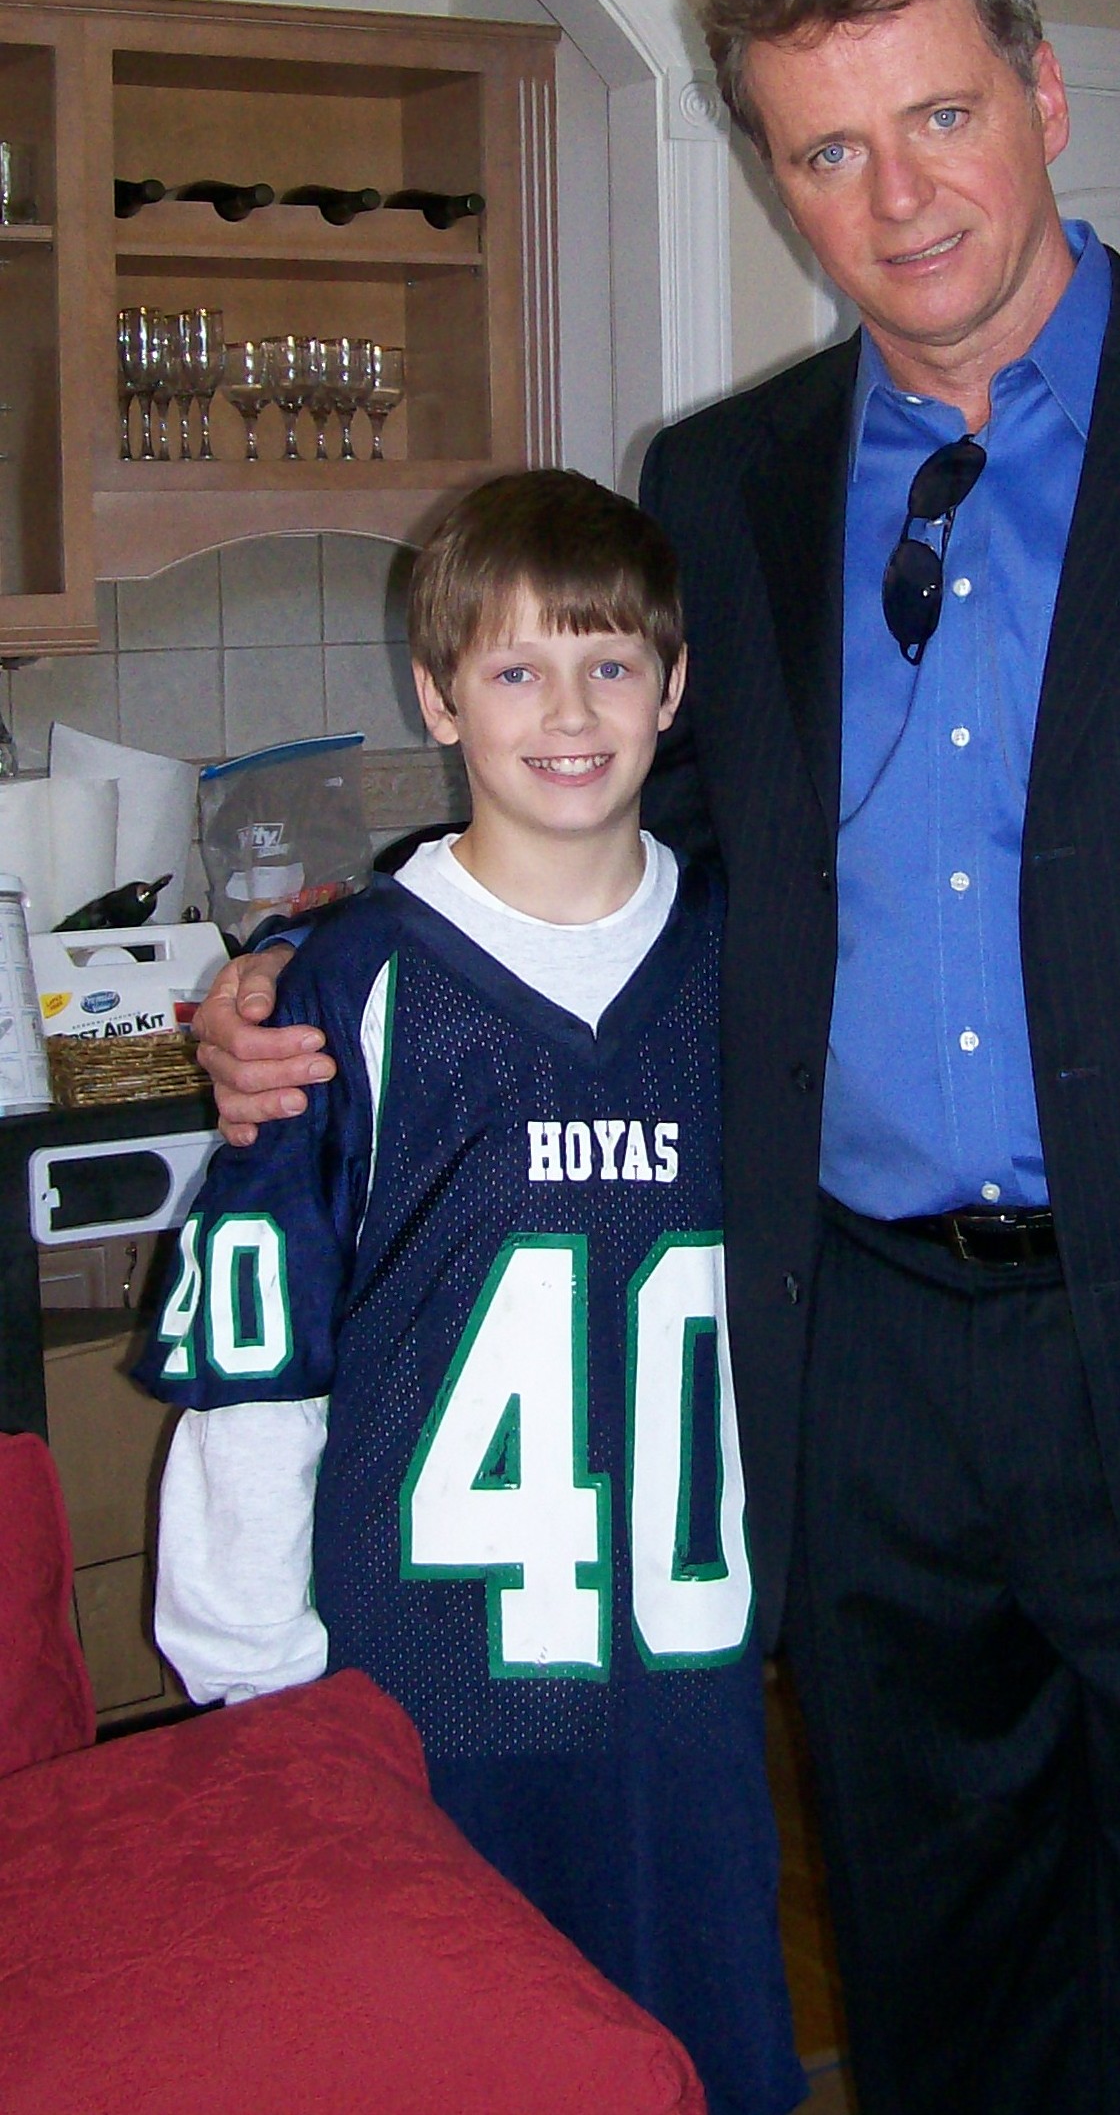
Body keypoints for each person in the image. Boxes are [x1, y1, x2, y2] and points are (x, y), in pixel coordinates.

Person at [194, 0, 1120, 2115]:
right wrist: (328, 956)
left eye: (933, 118)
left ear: (1035, 95)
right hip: (857, 1371)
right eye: (825, 149)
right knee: (945, 1978)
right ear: (774, 177)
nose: (894, 193)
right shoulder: (721, 484)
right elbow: (642, 835)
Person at [139, 471, 805, 2115]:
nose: (568, 713)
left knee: (690, 2066)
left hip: (682, 1679)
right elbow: (259, 1354)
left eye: (608, 666)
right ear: (437, 696)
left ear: (675, 687)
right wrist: (249, 1669)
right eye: (514, 671)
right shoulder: (346, 987)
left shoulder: (756, 960)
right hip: (422, 1682)